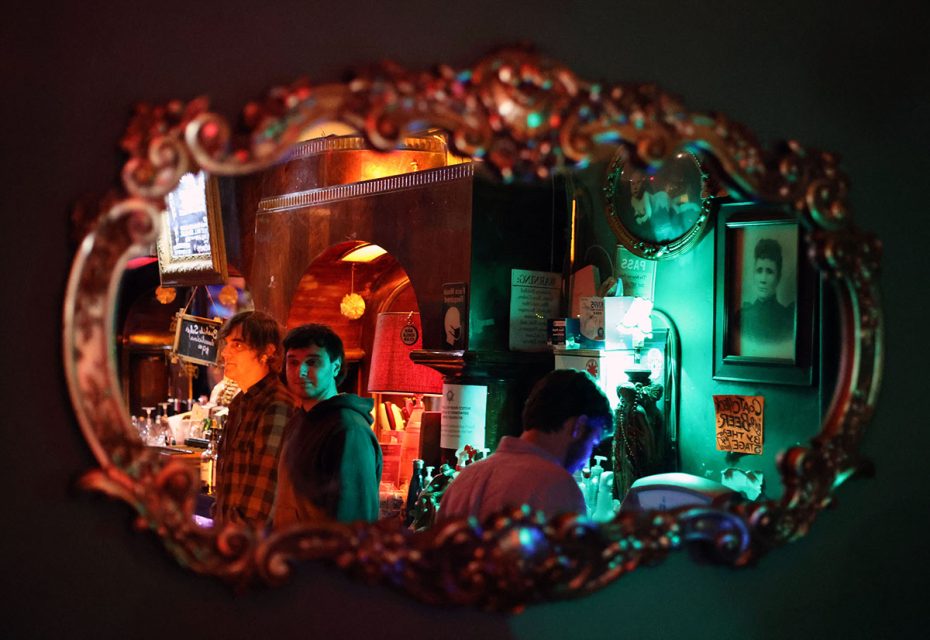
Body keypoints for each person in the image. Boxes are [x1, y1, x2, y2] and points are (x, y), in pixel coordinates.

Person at [437, 369, 613, 524]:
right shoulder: (558, 487)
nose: (586, 459)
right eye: (594, 442)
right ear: (579, 427)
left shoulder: (465, 478)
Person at [272, 324, 382, 527]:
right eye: (293, 362)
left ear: (336, 366)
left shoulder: (349, 429)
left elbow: (354, 524)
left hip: (322, 557)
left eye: (312, 362)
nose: (301, 371)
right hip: (289, 554)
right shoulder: (299, 420)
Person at [212, 311, 296, 527]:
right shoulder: (240, 402)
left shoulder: (276, 405)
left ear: (267, 351)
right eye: (227, 344)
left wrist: (235, 539)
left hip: (250, 545)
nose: (225, 353)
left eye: (237, 345)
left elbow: (263, 494)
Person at [736, 238, 795, 347]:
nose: (763, 279)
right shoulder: (742, 317)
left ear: (778, 276)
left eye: (769, 272)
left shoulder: (788, 318)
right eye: (759, 270)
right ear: (754, 274)